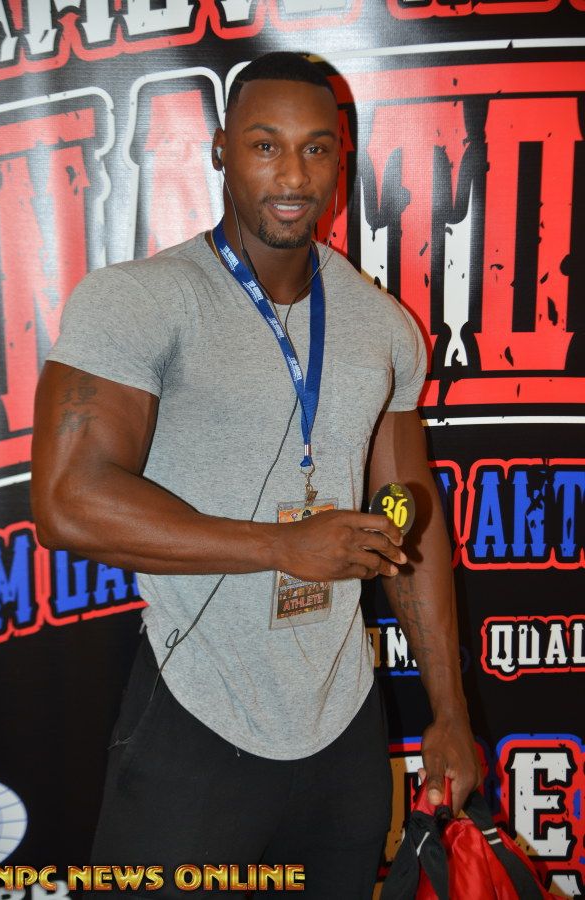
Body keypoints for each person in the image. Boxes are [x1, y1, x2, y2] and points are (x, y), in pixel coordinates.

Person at [31, 52, 480, 898]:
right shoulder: (141, 300)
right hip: (195, 719)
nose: (293, 176)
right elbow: (66, 502)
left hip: (344, 735)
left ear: (340, 161)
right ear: (219, 150)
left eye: (316, 149)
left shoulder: (385, 327)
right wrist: (280, 546)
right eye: (265, 146)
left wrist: (449, 713)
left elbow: (413, 524)